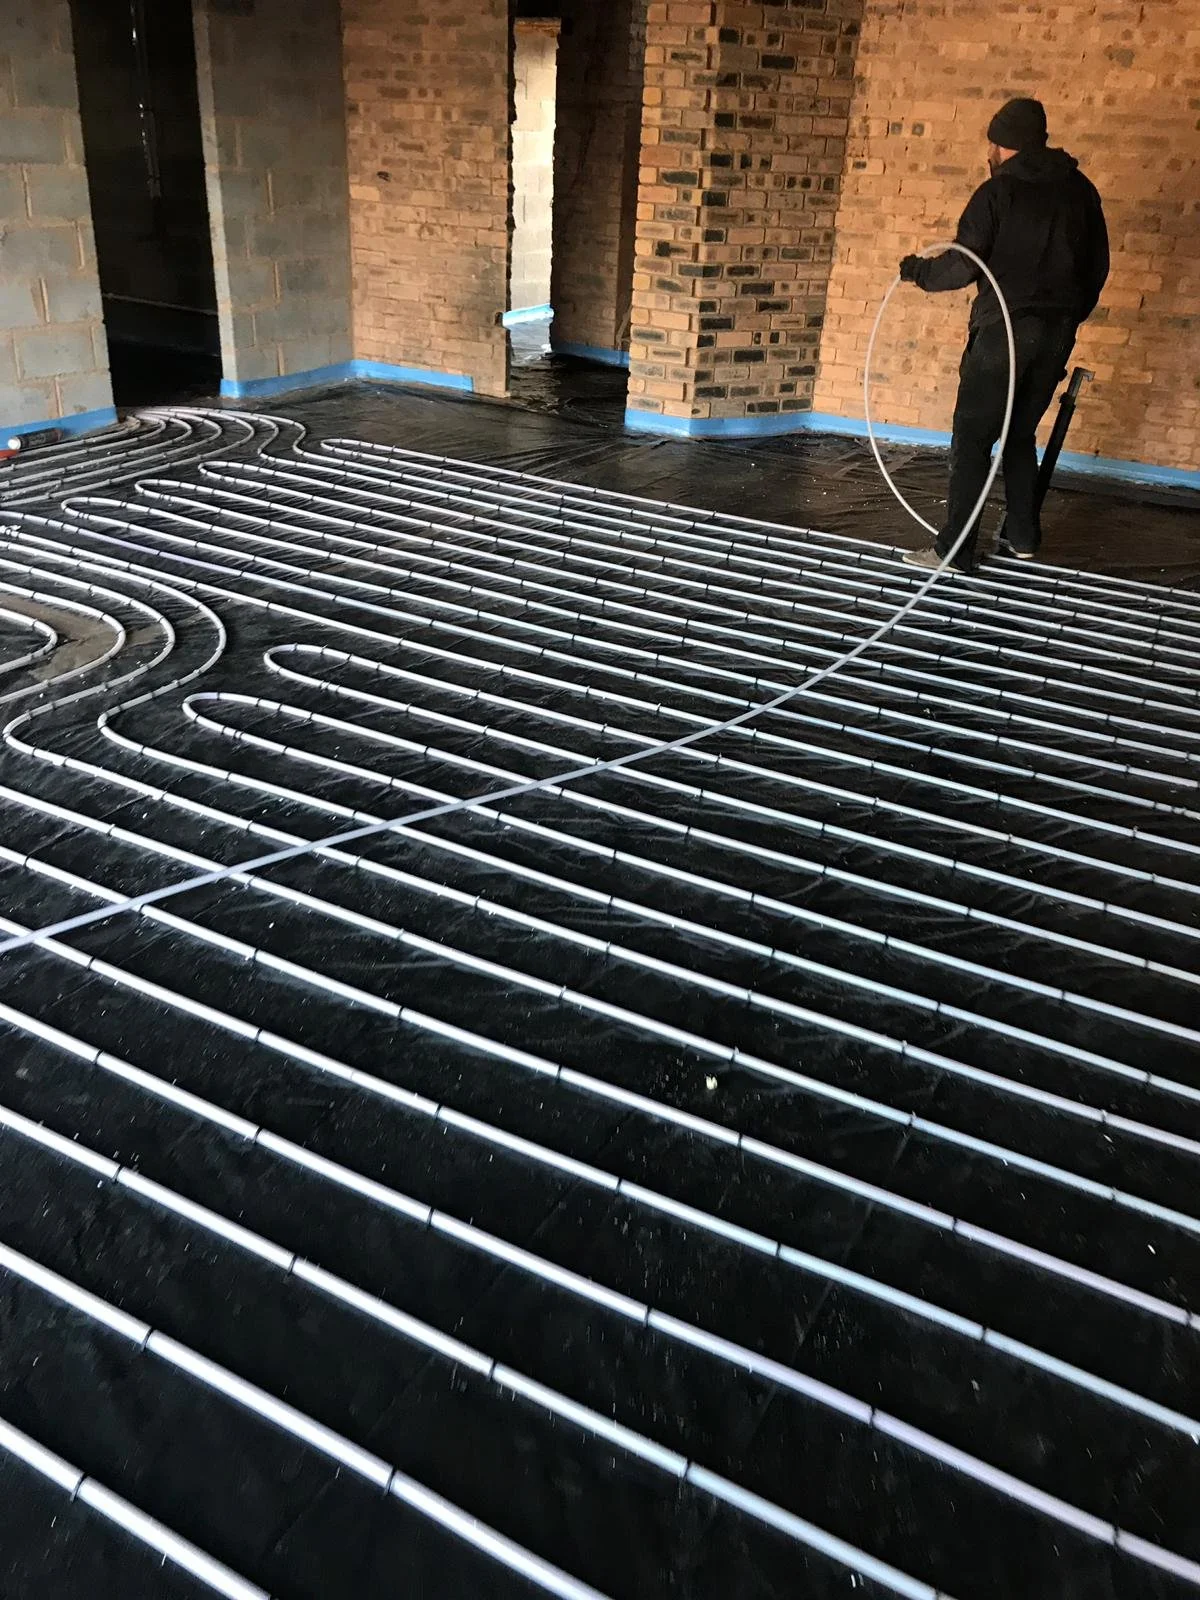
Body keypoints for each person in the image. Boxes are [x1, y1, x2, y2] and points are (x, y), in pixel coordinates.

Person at [898, 97, 1109, 572]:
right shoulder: (1081, 190)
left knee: (972, 437)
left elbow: (963, 265)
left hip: (1003, 333)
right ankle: (1022, 536)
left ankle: (955, 550)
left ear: (1000, 144)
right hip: (1056, 333)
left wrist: (919, 273)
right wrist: (1070, 317)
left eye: (992, 143)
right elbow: (1098, 266)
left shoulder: (997, 193)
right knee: (1018, 432)